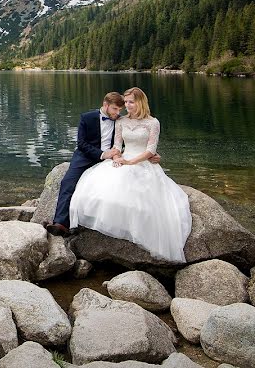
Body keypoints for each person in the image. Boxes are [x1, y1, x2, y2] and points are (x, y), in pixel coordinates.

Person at [68, 87, 192, 263]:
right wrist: (118, 156)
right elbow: (117, 145)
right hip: (124, 158)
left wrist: (131, 162)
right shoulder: (121, 121)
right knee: (98, 188)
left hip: (143, 162)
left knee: (145, 200)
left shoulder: (153, 123)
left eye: (130, 102)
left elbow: (150, 150)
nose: (127, 106)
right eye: (125, 102)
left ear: (140, 102)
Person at [45, 92, 127, 237]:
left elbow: (129, 140)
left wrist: (115, 154)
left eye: (120, 110)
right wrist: (102, 154)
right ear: (105, 105)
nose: (117, 113)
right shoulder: (87, 117)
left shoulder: (121, 121)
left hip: (110, 159)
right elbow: (81, 144)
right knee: (68, 182)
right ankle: (61, 224)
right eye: (115, 109)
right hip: (86, 156)